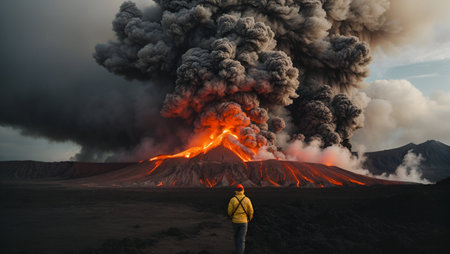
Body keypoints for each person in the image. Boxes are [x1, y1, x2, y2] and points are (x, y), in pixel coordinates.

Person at [227, 184, 254, 254]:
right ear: (243, 190)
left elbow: (229, 211)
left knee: (236, 237)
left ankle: (237, 251)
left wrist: (231, 217)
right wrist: (249, 219)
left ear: (236, 191)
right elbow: (251, 211)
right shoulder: (247, 200)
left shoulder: (233, 200)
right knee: (242, 239)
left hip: (235, 221)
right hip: (244, 222)